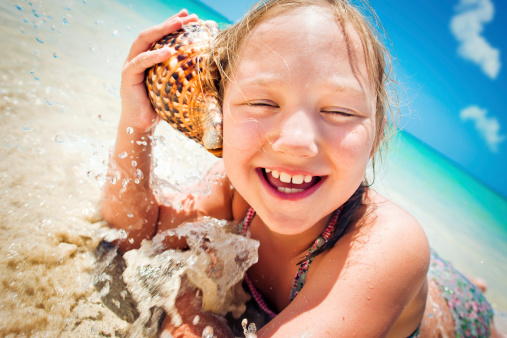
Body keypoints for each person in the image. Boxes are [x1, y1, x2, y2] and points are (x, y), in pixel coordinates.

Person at [101, 1, 496, 337]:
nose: (295, 141)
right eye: (262, 103)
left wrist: (188, 307)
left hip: (456, 319)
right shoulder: (235, 191)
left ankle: (463, 290)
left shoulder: (385, 246)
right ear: (220, 117)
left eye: (339, 111)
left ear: (375, 138)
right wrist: (135, 125)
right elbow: (135, 233)